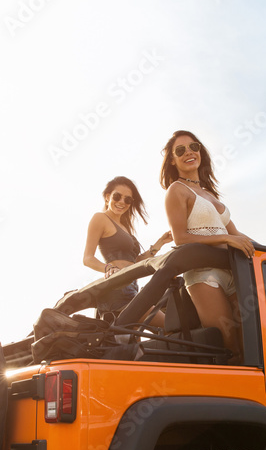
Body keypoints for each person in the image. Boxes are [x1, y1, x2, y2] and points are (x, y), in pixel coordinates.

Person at [161, 130, 254, 358]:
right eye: (180, 150)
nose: (189, 153)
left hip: (234, 271)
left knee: (250, 343)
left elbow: (237, 234)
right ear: (172, 160)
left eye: (194, 147)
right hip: (204, 275)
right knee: (228, 345)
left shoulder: (209, 193)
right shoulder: (176, 190)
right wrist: (225, 239)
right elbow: (180, 238)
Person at [83, 176, 171, 321]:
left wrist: (159, 243)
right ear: (107, 197)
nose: (122, 202)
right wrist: (108, 268)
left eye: (127, 199)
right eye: (117, 197)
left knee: (132, 341)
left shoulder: (125, 227)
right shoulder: (100, 218)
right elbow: (87, 258)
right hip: (116, 289)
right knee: (167, 325)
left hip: (132, 288)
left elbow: (134, 262)